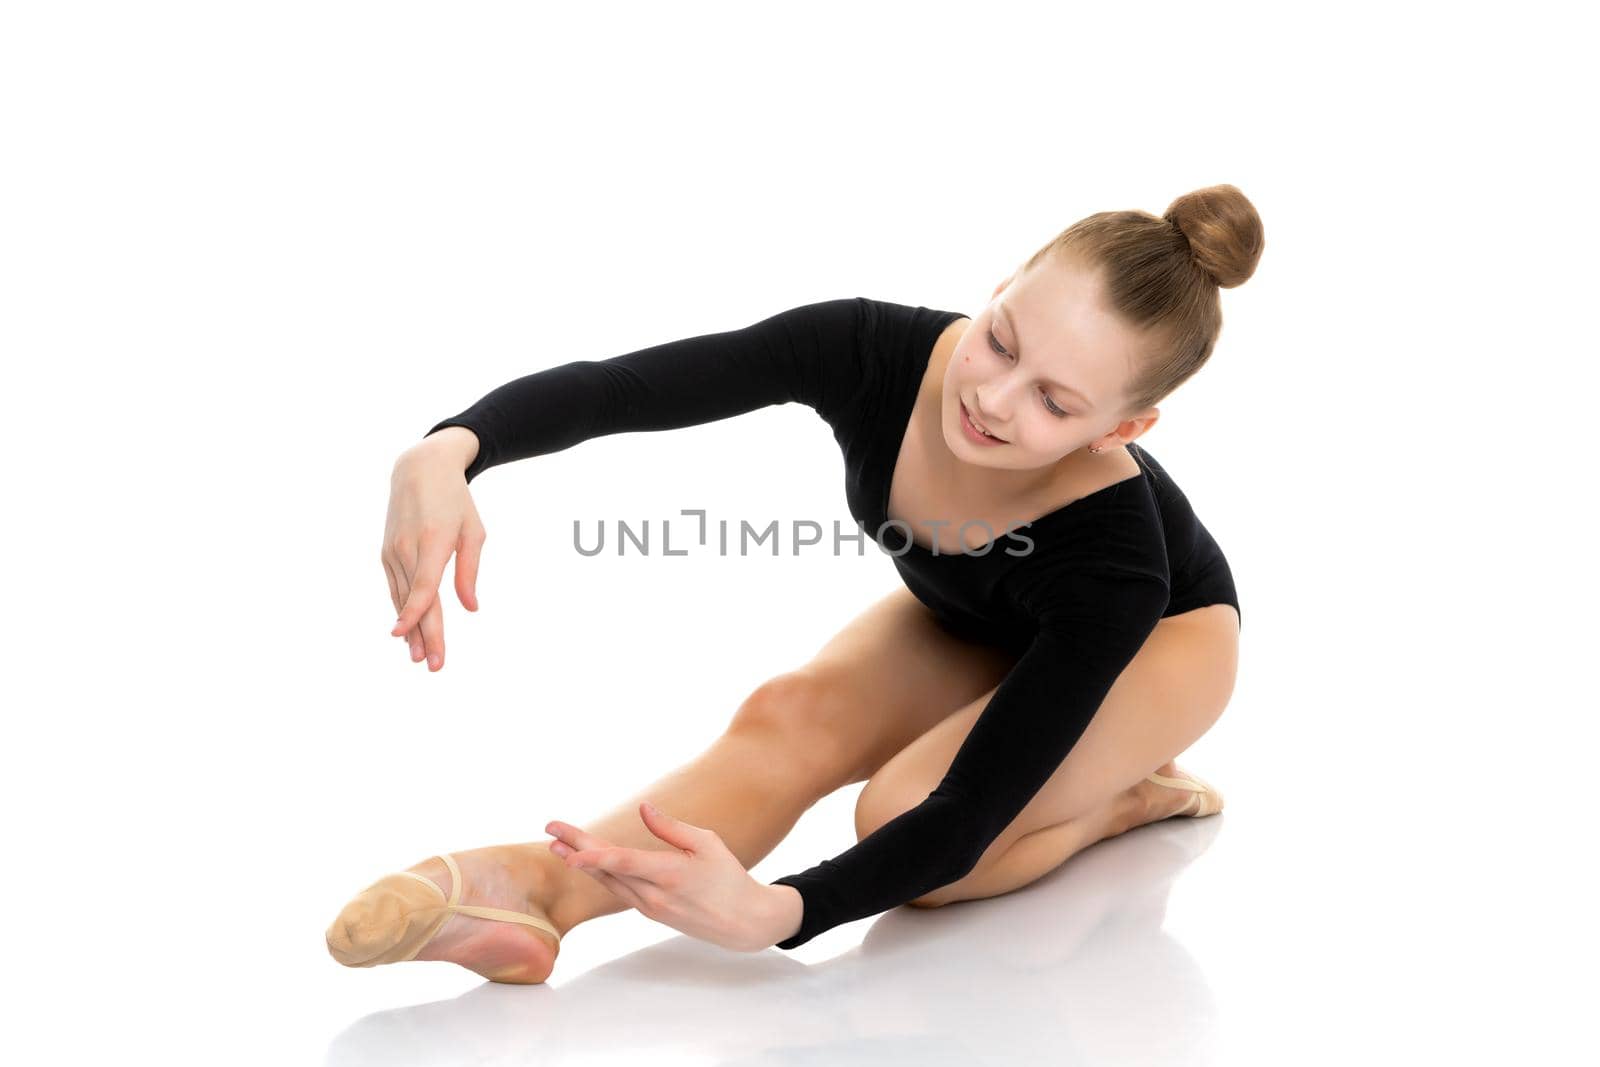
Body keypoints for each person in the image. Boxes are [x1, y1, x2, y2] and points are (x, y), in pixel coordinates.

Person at [326, 184, 1265, 983]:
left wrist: (783, 909)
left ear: (1121, 431)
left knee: (908, 830)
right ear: (997, 289)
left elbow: (964, 812)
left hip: (1161, 645)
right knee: (788, 712)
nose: (992, 398)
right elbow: (624, 389)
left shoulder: (1117, 566)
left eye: (1056, 402)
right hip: (982, 610)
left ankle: (1131, 798)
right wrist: (451, 448)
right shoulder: (868, 351)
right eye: (1001, 341)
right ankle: (542, 893)